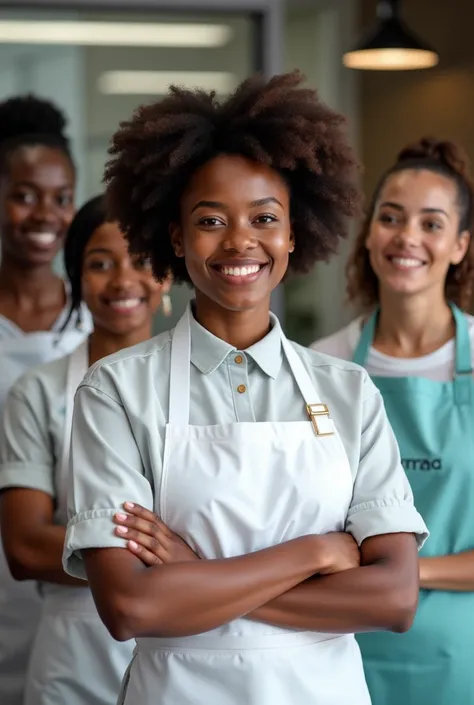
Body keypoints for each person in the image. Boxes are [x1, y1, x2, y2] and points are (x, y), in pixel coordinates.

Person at [63, 71, 428, 705]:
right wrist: (317, 550)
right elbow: (130, 606)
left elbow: (393, 598)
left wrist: (196, 582)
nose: (240, 241)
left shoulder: (348, 392)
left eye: (265, 217)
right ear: (175, 237)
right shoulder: (116, 391)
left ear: (292, 234)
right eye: (210, 220)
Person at [311, 137, 474, 705]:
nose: (407, 238)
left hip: (462, 660)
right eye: (391, 218)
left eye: (432, 224)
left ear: (460, 245)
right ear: (370, 234)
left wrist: (399, 574)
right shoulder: (321, 367)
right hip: (340, 651)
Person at [0, 195, 171, 705]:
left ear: (166, 274)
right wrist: (168, 556)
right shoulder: (38, 392)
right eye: (100, 264)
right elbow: (26, 547)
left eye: (141, 260)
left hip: (180, 645)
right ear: (75, 277)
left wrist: (91, 546)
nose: (123, 280)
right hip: (73, 655)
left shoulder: (200, 387)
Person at [0, 94, 92, 705]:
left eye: (62, 198)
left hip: (66, 572)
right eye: (25, 194)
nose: (45, 215)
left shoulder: (97, 319)